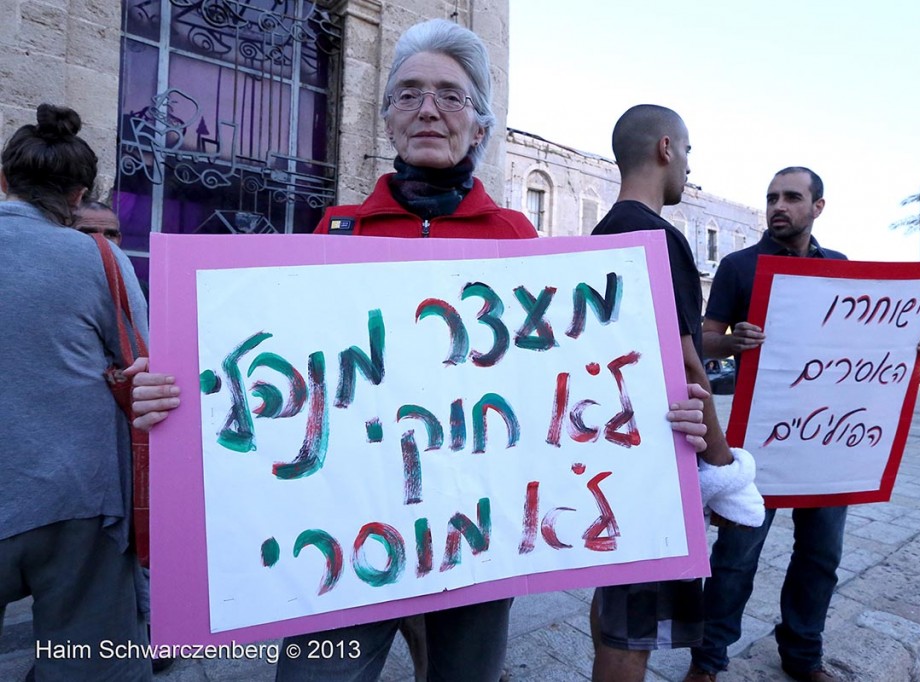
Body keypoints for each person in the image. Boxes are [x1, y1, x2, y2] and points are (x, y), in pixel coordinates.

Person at [128, 21, 711, 682]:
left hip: (478, 535)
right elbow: (277, 382)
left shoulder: (520, 239)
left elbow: (576, 387)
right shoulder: (334, 231)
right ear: (388, 121)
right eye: (408, 94)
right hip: (343, 536)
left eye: (450, 96)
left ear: (480, 126)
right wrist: (179, 393)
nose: (428, 108)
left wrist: (664, 418)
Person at [686, 167, 920, 682]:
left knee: (821, 556)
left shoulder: (841, 267)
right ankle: (708, 661)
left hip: (829, 441)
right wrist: (734, 342)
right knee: (736, 554)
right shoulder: (739, 266)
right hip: (762, 443)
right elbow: (703, 340)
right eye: (772, 198)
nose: (779, 206)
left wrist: (915, 345)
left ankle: (803, 656)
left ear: (817, 207)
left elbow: (866, 343)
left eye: (792, 198)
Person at [588, 104, 764, 682]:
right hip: (654, 466)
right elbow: (684, 364)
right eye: (687, 152)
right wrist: (725, 471)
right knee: (634, 630)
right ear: (666, 148)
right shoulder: (661, 238)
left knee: (614, 607)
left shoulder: (601, 234)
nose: (688, 167)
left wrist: (728, 344)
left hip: (611, 449)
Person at [0, 104, 151, 680]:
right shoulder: (98, 258)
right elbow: (139, 362)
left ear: (4, 178)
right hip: (77, 499)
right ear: (78, 193)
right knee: (89, 665)